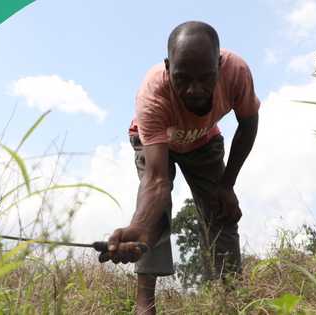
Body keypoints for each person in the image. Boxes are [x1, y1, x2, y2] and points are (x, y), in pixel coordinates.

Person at [99, 21, 260, 314]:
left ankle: (229, 297)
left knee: (221, 211)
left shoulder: (236, 72)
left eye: (206, 78)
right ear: (167, 66)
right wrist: (138, 226)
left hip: (203, 138)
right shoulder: (152, 93)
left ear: (219, 65)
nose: (194, 90)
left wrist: (227, 186)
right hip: (154, 143)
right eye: (182, 78)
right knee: (155, 215)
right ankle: (144, 304)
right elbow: (157, 180)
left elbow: (248, 123)